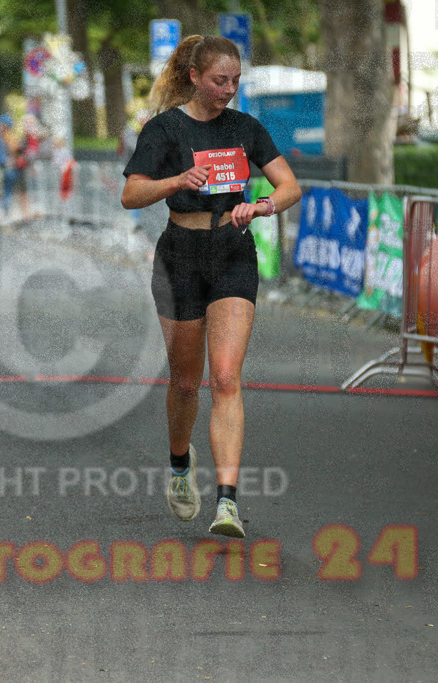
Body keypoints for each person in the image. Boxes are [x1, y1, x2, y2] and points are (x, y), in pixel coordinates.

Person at [121, 35, 301, 538]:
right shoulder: (164, 129)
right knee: (184, 382)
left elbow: (290, 186)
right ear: (196, 78)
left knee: (225, 377)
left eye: (236, 81)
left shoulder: (246, 128)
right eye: (220, 81)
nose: (229, 90)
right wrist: (177, 182)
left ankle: (227, 502)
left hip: (232, 253)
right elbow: (131, 194)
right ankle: (180, 465)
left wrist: (261, 206)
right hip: (179, 256)